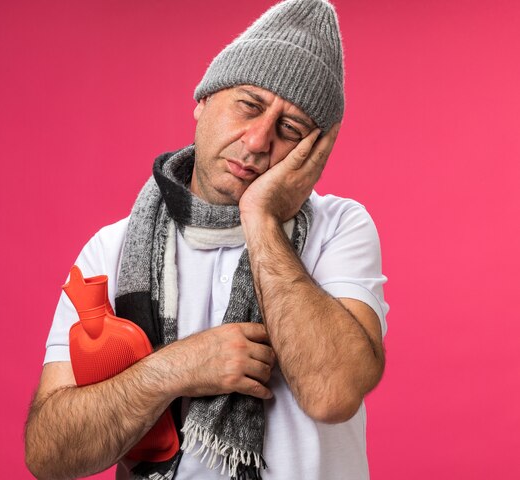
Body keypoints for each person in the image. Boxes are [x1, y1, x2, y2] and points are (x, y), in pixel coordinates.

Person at [25, 1, 389, 479]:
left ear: (312, 152)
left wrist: (260, 218)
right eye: (249, 105)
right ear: (202, 100)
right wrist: (179, 368)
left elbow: (332, 394)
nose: (258, 141)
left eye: (289, 129)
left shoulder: (340, 228)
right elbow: (50, 456)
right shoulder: (111, 251)